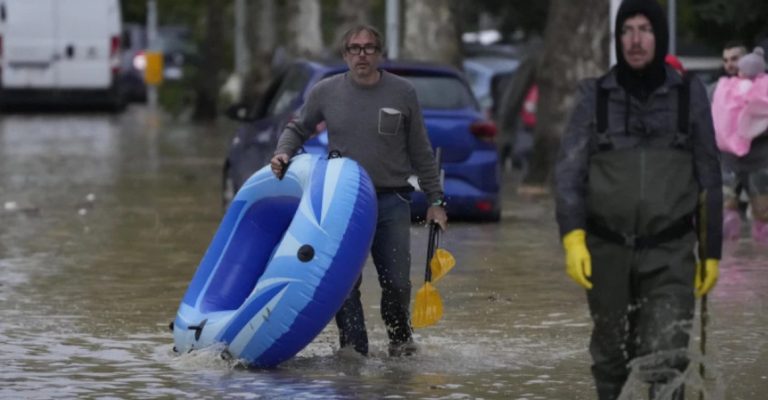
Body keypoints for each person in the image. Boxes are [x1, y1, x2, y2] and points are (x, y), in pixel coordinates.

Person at [554, 1, 723, 399]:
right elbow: (568, 173)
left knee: (665, 354)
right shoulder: (594, 96)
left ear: (659, 36)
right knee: (611, 357)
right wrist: (573, 237)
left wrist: (710, 250)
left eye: (645, 29)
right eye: (627, 29)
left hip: (671, 252)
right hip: (606, 250)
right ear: (617, 38)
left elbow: (709, 177)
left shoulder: (688, 95)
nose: (635, 39)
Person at [270, 24, 448, 357]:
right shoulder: (326, 91)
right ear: (345, 55)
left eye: (368, 48)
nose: (361, 55)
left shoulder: (403, 92)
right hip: (343, 203)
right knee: (344, 285)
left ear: (380, 54)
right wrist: (283, 152)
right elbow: (298, 128)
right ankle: (353, 349)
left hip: (391, 199)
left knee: (397, 282)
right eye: (354, 48)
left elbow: (421, 151)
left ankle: (400, 343)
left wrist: (436, 200)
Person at [713, 47, 768, 244]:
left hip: (760, 162)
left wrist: (754, 125)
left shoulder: (764, 88)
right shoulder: (719, 89)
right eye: (726, 59)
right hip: (728, 161)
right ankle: (730, 268)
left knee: (763, 217)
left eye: (734, 59)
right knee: (725, 215)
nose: (730, 64)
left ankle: (760, 269)